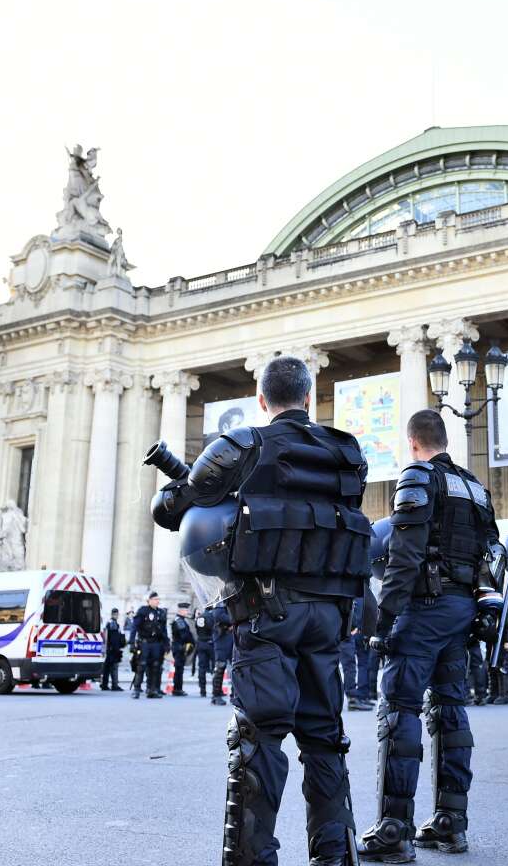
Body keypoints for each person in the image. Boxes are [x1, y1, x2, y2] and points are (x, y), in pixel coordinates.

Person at [154, 354, 372, 865]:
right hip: (329, 615)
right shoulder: (347, 451)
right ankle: (335, 856)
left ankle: (252, 859)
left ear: (260, 399)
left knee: (258, 741)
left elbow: (172, 509)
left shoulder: (243, 444)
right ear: (310, 396)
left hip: (268, 613)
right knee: (325, 741)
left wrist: (190, 487)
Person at [360, 409, 497, 860]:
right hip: (460, 609)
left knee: (399, 711)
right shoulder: (476, 489)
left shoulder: (417, 476)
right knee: (450, 710)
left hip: (423, 608)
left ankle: (393, 831)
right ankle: (450, 823)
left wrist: (384, 619)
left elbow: (403, 555)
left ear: (413, 441)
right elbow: (492, 556)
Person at [132, 593, 168, 700]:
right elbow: (135, 627)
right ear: (149, 600)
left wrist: (166, 644)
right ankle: (136, 690)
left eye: (158, 599)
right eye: (156, 599)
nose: (158, 601)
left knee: (155, 667)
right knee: (141, 666)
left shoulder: (161, 612)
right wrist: (131, 642)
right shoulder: (143, 611)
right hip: (145, 643)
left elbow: (164, 630)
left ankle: (152, 689)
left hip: (157, 643)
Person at [206, 603, 233, 706]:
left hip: (232, 638)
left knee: (236, 667)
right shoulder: (220, 600)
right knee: (220, 666)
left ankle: (234, 695)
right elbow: (219, 616)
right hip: (222, 637)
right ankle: (216, 695)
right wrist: (236, 618)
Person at [170, 601, 197, 695]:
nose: (187, 612)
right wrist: (191, 640)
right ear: (181, 610)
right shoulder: (179, 621)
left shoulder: (182, 620)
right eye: (186, 610)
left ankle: (178, 688)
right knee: (179, 669)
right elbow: (184, 635)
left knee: (179, 669)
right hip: (179, 647)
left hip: (180, 647)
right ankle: (177, 689)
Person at [193, 605, 215, 698]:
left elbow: (196, 629)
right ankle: (216, 690)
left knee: (201, 667)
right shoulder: (212, 616)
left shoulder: (199, 617)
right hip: (211, 643)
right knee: (215, 667)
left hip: (201, 643)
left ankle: (203, 690)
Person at [102, 607, 126, 691]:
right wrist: (117, 649)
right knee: (114, 667)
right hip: (113, 649)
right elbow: (114, 639)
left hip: (109, 649)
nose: (116, 615)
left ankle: (104, 684)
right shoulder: (113, 624)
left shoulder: (110, 623)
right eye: (115, 614)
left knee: (107, 667)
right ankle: (114, 685)